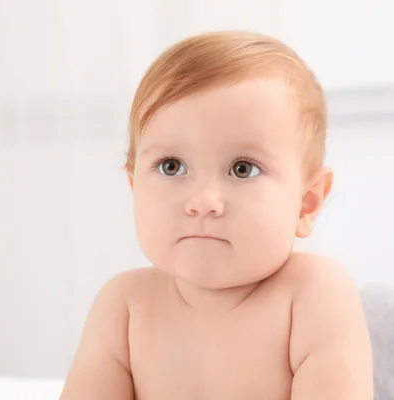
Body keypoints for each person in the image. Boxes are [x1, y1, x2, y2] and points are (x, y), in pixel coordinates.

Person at [60, 30, 373, 400]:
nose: (203, 201)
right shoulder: (124, 307)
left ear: (306, 203)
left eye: (243, 169)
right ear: (134, 187)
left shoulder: (313, 294)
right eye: (172, 166)